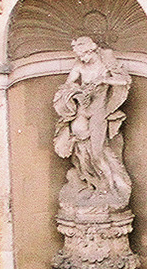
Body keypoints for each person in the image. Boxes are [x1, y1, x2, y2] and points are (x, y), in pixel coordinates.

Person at [52, 36, 133, 211]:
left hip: (99, 113)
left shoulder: (106, 62)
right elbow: (68, 84)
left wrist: (104, 80)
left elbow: (124, 81)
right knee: (81, 151)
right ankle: (92, 183)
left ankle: (109, 188)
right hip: (82, 110)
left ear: (91, 50)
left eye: (84, 55)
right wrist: (77, 91)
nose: (82, 59)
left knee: (97, 153)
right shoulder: (79, 65)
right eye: (79, 56)